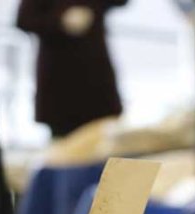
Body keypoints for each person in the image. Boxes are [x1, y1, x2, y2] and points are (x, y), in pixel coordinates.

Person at [16, 0, 127, 138]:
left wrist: (90, 9)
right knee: (64, 143)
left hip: (96, 72)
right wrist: (60, 20)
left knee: (107, 140)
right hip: (59, 76)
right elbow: (23, 20)